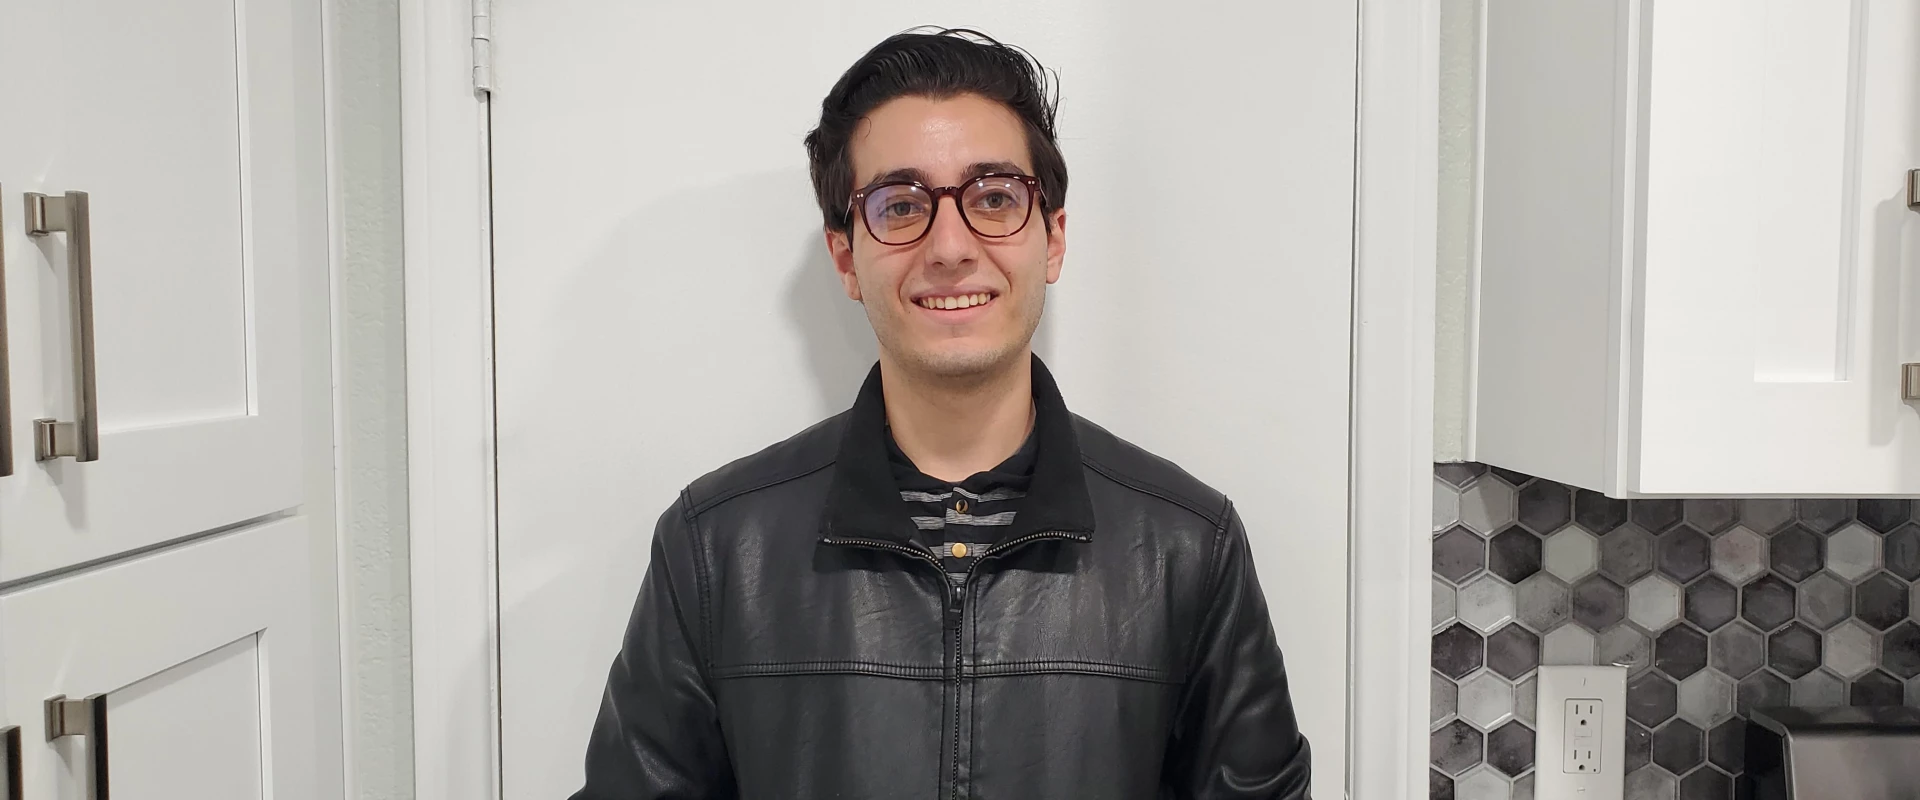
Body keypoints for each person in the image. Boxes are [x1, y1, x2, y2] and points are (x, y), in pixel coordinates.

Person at [571, 27, 1311, 800]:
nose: (951, 245)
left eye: (994, 197)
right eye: (900, 205)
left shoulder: (1188, 548)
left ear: (1052, 239)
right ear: (847, 256)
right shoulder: (717, 550)